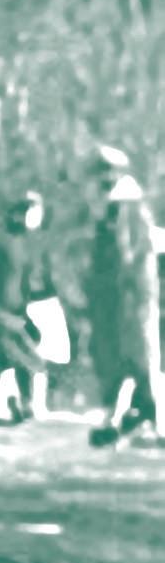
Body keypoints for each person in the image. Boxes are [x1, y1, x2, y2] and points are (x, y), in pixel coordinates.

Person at [86, 148, 161, 448]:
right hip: (113, 297)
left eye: (106, 171)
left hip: (131, 295)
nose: (102, 177)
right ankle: (126, 416)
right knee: (117, 358)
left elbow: (129, 254)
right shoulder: (107, 207)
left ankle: (146, 419)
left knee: (138, 357)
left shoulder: (127, 206)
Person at [0, 192, 59, 424]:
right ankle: (24, 404)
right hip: (0, 311)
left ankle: (4, 403)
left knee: (9, 360)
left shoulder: (25, 242)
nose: (37, 219)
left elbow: (26, 278)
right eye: (34, 213)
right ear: (20, 213)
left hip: (18, 310)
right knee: (31, 359)